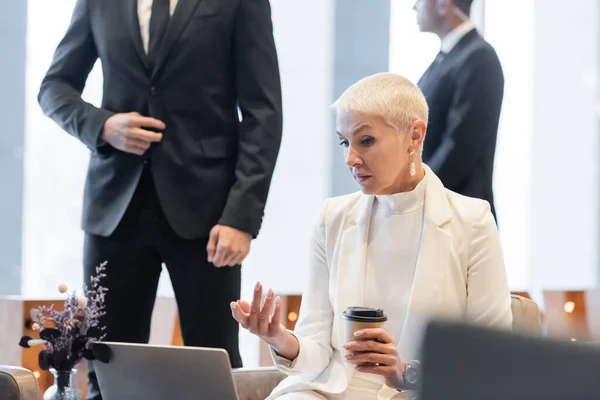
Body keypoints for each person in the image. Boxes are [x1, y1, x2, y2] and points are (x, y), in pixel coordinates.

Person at [37, 0, 282, 398]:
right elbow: (54, 88)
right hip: (113, 209)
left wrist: (241, 214)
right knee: (108, 368)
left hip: (210, 215)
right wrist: (103, 126)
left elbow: (263, 111)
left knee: (214, 366)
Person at [231, 73, 512, 400]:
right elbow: (318, 351)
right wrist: (279, 338)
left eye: (365, 141)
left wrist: (406, 372)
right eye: (344, 142)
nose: (351, 158)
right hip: (332, 392)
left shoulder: (471, 221)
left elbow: (492, 358)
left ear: (414, 136)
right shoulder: (332, 218)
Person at [414, 0, 504, 221]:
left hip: (461, 219)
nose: (414, 7)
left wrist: (416, 190)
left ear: (444, 4)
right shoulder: (448, 57)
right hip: (440, 212)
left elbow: (461, 147)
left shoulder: (479, 58)